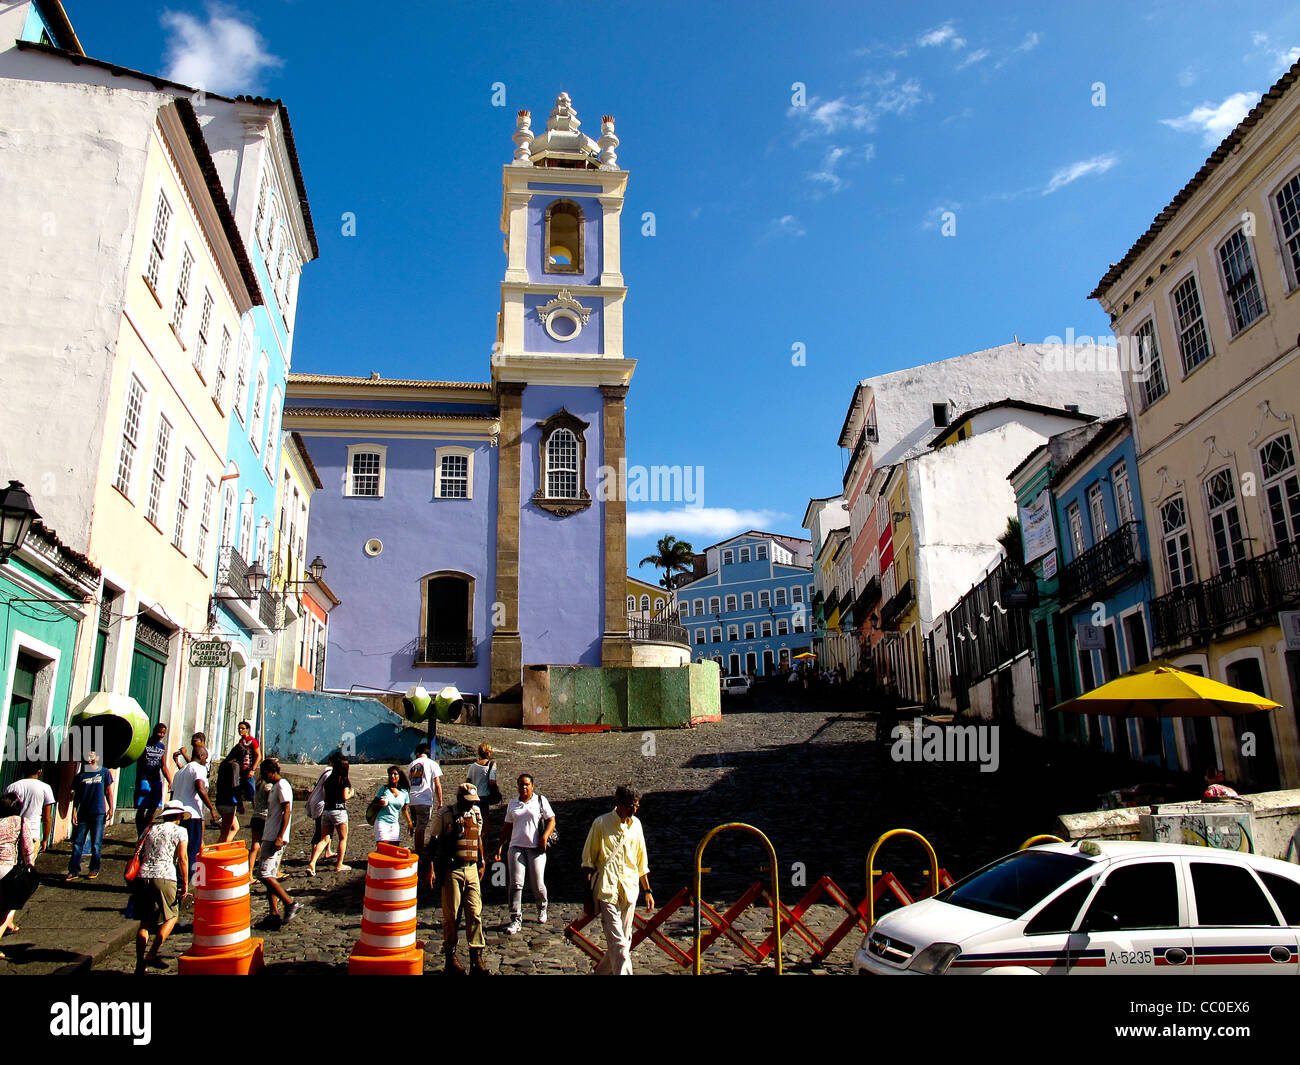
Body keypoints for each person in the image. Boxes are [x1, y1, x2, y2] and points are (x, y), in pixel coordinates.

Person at [580, 784, 653, 976]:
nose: (634, 810)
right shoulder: (601, 824)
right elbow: (587, 862)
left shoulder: (636, 825)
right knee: (620, 945)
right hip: (607, 889)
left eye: (637, 806)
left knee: (624, 942)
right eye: (630, 805)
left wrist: (647, 890)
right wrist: (587, 896)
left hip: (630, 889)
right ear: (619, 804)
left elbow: (640, 860)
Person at [425, 782, 488, 975]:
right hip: (452, 870)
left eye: (473, 801)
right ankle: (450, 958)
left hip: (471, 869)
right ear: (460, 798)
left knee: (475, 913)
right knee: (451, 916)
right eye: (467, 801)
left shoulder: (476, 814)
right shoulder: (445, 814)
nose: (471, 804)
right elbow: (434, 841)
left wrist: (482, 860)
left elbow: (477, 838)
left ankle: (476, 958)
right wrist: (431, 867)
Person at [131, 799, 188, 973]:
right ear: (178, 815)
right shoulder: (180, 831)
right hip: (165, 876)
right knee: (171, 917)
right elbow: (183, 858)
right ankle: (152, 953)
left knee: (145, 923)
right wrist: (185, 883)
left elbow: (137, 850)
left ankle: (140, 963)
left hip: (143, 875)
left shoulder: (149, 829)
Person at [494, 773, 554, 934]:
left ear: (532, 786)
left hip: (536, 848)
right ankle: (515, 919)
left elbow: (551, 820)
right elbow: (507, 827)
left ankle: (542, 907)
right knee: (516, 883)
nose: (524, 787)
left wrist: (544, 837)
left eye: (527, 784)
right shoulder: (513, 804)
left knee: (537, 883)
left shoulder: (540, 801)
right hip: (516, 846)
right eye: (521, 784)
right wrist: (500, 845)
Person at [257, 759, 301, 925]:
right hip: (270, 834)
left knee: (264, 874)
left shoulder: (282, 785)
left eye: (263, 773)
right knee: (271, 876)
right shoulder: (275, 787)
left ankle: (290, 903)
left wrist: (280, 836)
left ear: (270, 771)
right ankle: (273, 914)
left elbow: (287, 810)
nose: (262, 776)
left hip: (274, 837)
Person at [170, 743, 218, 879]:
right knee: (192, 850)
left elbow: (173, 794)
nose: (206, 761)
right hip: (192, 814)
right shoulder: (199, 768)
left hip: (177, 813)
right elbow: (200, 788)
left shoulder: (180, 771)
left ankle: (178, 879)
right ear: (201, 755)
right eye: (206, 758)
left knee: (179, 849)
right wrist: (211, 809)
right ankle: (185, 881)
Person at [66, 750, 114, 882]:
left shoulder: (104, 772)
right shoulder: (81, 775)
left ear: (97, 757)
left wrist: (111, 808)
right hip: (83, 813)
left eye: (92, 754)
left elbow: (108, 791)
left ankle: (94, 868)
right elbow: (76, 796)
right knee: (77, 843)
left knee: (96, 844)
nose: (89, 757)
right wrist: (74, 812)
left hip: (98, 813)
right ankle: (73, 870)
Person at [0, 793, 36, 952]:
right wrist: (30, 865)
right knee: (8, 907)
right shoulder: (20, 822)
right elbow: (27, 848)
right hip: (7, 870)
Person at [308, 753, 352, 875]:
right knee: (343, 838)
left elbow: (324, 796)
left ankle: (312, 862)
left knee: (324, 839)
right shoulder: (344, 780)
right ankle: (339, 864)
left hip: (326, 811)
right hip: (339, 811)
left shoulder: (328, 780)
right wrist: (351, 793)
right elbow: (345, 796)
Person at [5, 763, 55, 857]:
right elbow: (47, 817)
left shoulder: (12, 787)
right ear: (39, 771)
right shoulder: (45, 788)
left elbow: (5, 812)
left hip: (13, 834)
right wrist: (45, 839)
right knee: (28, 867)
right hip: (32, 834)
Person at [133, 723, 174, 837]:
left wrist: (170, 781)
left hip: (156, 779)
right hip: (144, 779)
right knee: (142, 807)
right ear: (154, 731)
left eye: (163, 733)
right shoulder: (145, 744)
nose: (161, 735)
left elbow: (164, 766)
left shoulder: (162, 747)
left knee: (154, 807)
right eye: (159, 732)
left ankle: (145, 831)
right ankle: (139, 833)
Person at [407, 741, 443, 856]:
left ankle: (417, 849)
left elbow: (408, 784)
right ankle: (419, 853)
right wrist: (440, 801)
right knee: (421, 828)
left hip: (412, 798)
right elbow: (437, 784)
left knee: (417, 826)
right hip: (424, 799)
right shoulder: (432, 764)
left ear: (417, 753)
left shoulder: (411, 765)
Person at [372, 766, 413, 846]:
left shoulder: (404, 793)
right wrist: (380, 804)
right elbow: (373, 806)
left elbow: (404, 810)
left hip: (394, 824)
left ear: (399, 776)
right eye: (390, 774)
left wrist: (409, 823)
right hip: (382, 821)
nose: (392, 776)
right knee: (383, 846)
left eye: (395, 774)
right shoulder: (383, 789)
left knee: (394, 848)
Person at [465, 743, 498, 834]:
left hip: (473, 796)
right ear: (488, 752)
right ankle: (484, 845)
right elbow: (492, 781)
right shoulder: (491, 764)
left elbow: (467, 781)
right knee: (485, 823)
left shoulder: (473, 766)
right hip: (484, 796)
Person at [213, 749, 243, 843]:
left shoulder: (223, 764)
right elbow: (235, 785)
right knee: (225, 833)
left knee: (235, 827)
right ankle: (219, 851)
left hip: (220, 800)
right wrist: (240, 803)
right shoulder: (235, 765)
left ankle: (224, 847)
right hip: (228, 802)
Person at [248, 761, 272, 867]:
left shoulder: (258, 784)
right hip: (265, 817)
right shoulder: (268, 786)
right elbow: (270, 802)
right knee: (268, 846)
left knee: (255, 845)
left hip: (256, 816)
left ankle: (249, 872)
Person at [235, 721, 261, 811]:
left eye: (242, 728)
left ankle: (257, 812)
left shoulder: (252, 741)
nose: (240, 730)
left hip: (249, 770)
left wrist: (253, 769)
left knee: (252, 792)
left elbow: (259, 755)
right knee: (237, 791)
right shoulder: (241, 742)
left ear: (247, 730)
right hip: (241, 771)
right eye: (239, 728)